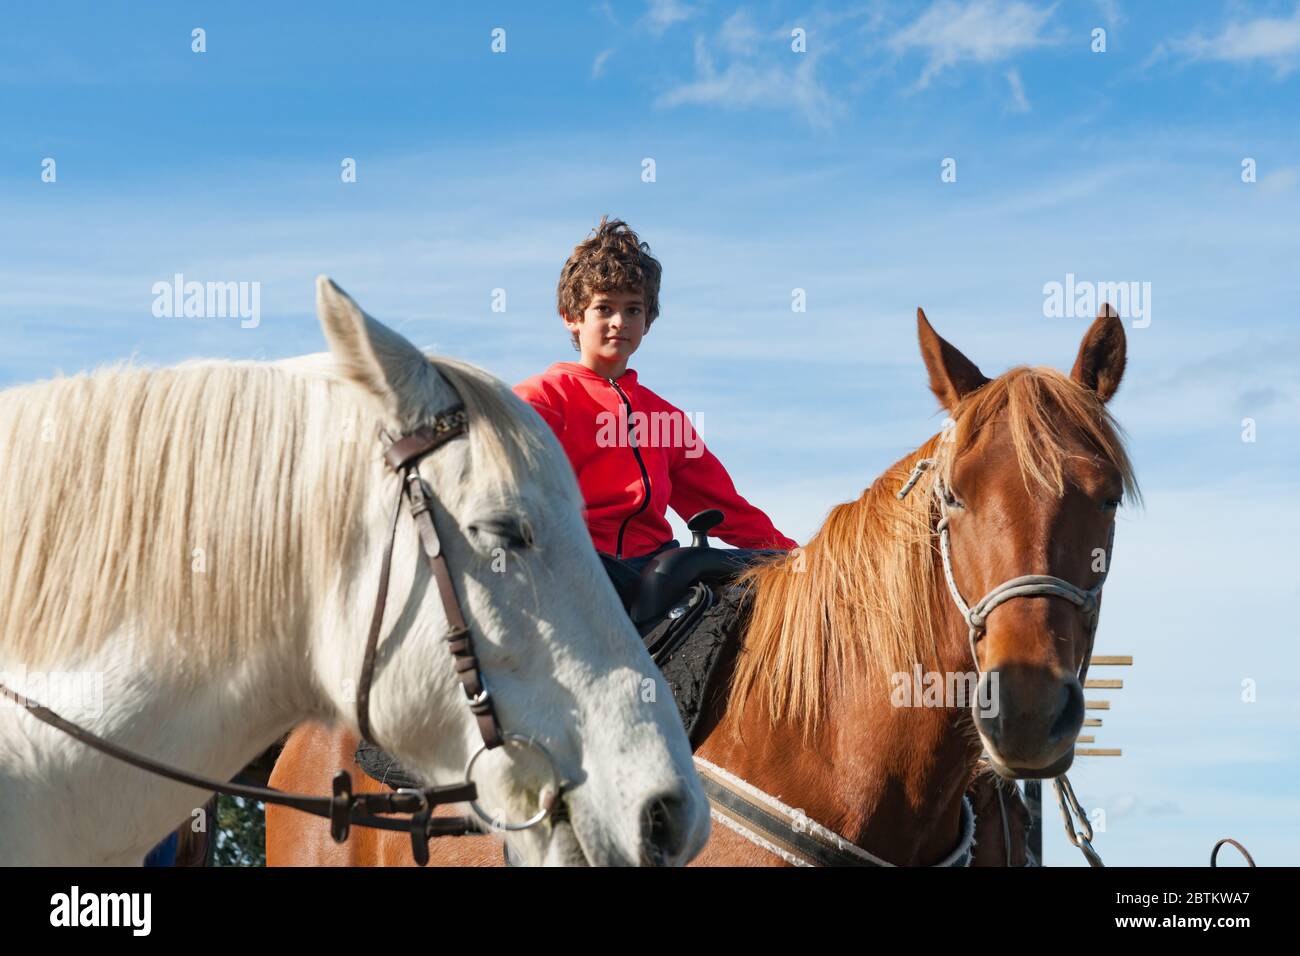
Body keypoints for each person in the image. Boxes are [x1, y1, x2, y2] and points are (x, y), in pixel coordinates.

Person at [513, 217, 796, 574]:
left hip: (656, 569)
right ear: (571, 316)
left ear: (647, 321)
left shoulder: (666, 420)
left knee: (726, 583)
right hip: (574, 570)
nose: (620, 321)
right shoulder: (539, 400)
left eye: (633, 309)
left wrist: (794, 557)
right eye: (604, 308)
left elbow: (725, 507)